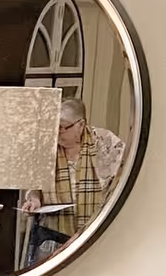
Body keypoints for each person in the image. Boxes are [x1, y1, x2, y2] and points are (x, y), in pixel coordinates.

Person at [21, 95, 125, 264]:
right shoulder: (46, 145)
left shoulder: (106, 143)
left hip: (97, 233)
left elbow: (119, 188)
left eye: (62, 127)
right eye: (53, 126)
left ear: (80, 125)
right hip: (52, 236)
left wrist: (86, 231)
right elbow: (35, 184)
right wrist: (34, 199)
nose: (57, 133)